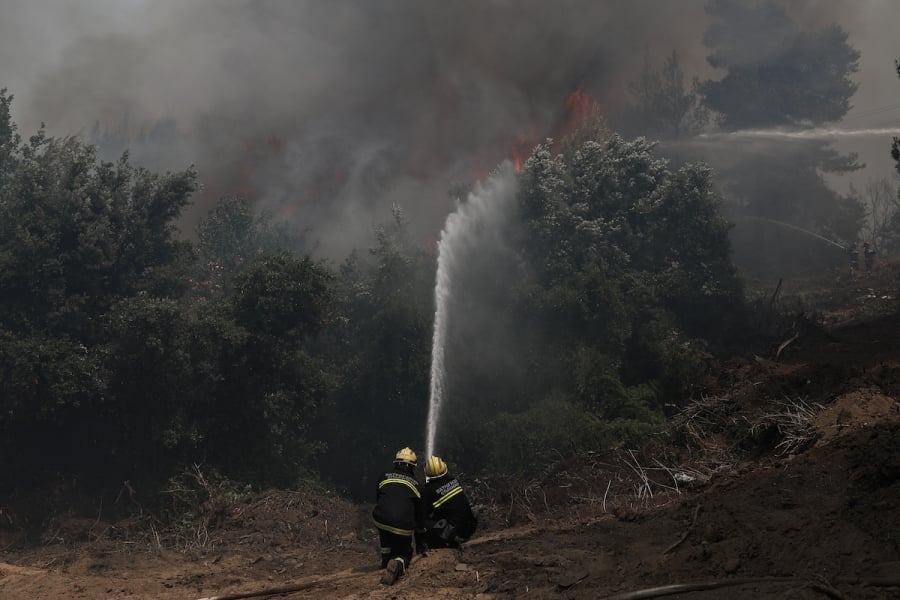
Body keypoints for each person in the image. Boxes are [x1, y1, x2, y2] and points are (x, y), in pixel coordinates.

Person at [372, 447, 425, 585]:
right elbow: (420, 516)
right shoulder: (417, 484)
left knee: (386, 532)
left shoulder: (384, 476)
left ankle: (385, 559)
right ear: (413, 467)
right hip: (403, 525)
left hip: (381, 518)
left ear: (396, 463)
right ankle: (398, 562)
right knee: (404, 551)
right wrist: (421, 542)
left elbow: (380, 498)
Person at [419, 455, 478, 550]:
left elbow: (423, 514)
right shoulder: (454, 481)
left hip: (455, 532)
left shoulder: (428, 491)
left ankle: (441, 546)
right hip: (470, 526)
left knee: (425, 521)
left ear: (427, 473)